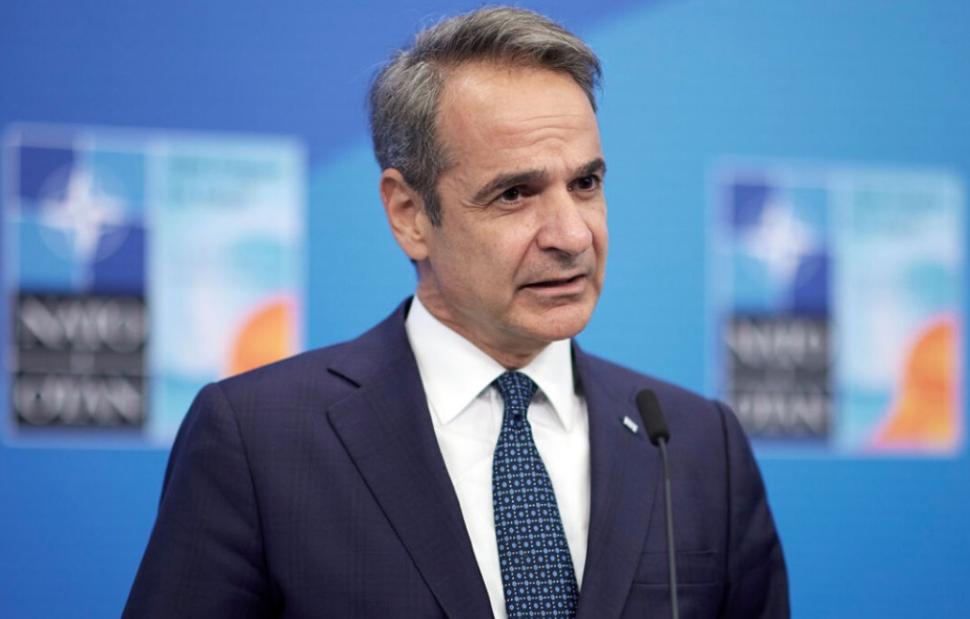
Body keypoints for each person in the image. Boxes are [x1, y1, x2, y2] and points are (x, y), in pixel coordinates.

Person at [124, 7, 788, 618]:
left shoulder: (698, 445)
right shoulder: (259, 440)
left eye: (585, 183)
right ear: (409, 214)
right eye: (515, 194)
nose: (572, 235)